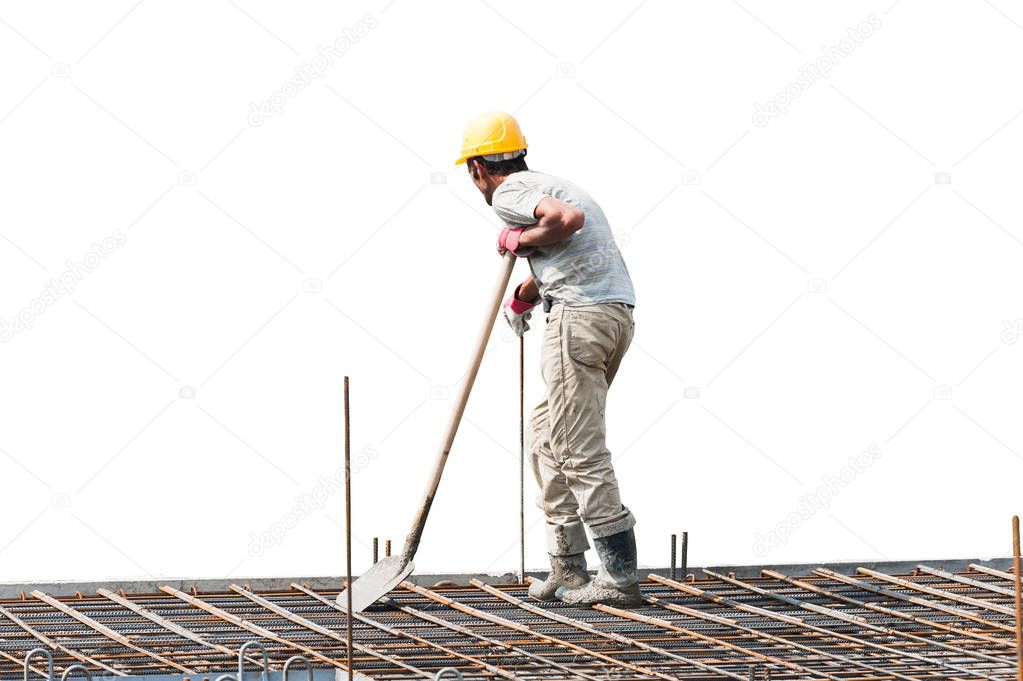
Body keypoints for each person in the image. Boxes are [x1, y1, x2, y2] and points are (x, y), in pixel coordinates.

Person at [456, 111, 641, 607]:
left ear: (477, 168)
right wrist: (526, 293)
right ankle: (568, 564)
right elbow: (572, 247)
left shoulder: (508, 192)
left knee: (577, 447)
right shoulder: (552, 183)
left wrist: (518, 239)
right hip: (610, 316)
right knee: (544, 434)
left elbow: (564, 224)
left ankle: (619, 578)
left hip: (579, 320)